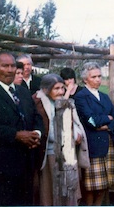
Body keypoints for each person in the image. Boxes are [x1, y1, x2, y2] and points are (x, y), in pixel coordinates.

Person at [0, 52, 44, 205]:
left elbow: (36, 117)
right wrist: (16, 135)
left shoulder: (23, 92)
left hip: (27, 163)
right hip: (0, 165)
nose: (10, 70)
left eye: (13, 66)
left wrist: (36, 134)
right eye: (5, 66)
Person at [32, 73, 89, 205]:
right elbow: (47, 128)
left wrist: (76, 132)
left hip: (68, 153)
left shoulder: (64, 102)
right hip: (51, 153)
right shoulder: (39, 102)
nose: (61, 91)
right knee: (52, 191)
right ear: (46, 89)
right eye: (56, 88)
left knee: (68, 190)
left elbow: (74, 122)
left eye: (62, 88)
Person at [74, 62, 114, 206]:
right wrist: (107, 118)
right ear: (85, 79)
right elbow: (91, 121)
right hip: (93, 145)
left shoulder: (104, 96)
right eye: (94, 77)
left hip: (108, 142)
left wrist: (107, 126)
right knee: (92, 186)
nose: (98, 79)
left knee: (105, 183)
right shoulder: (81, 96)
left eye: (99, 76)